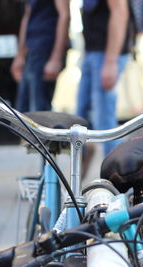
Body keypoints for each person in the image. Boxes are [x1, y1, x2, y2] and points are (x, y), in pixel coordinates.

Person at [76, 0, 130, 156]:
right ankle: (80, 172)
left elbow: (120, 13)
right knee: (79, 121)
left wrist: (111, 61)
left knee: (105, 126)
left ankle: (121, 174)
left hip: (106, 54)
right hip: (93, 51)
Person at [10, 0, 70, 112]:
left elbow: (65, 15)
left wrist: (56, 58)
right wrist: (20, 55)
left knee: (40, 113)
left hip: (45, 50)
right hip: (31, 52)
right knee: (22, 113)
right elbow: (27, 16)